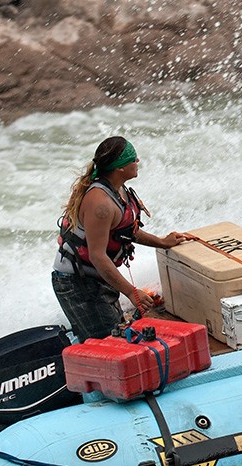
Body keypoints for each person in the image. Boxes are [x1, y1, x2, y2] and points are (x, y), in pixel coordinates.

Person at [53, 136, 190, 342]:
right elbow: (97, 256)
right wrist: (131, 292)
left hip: (98, 278)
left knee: (118, 335)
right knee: (111, 344)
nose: (138, 161)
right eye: (133, 159)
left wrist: (162, 242)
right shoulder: (100, 203)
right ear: (119, 168)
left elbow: (125, 231)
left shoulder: (118, 190)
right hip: (77, 283)